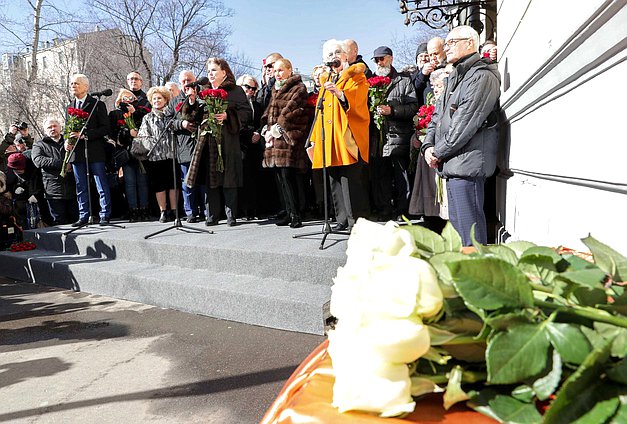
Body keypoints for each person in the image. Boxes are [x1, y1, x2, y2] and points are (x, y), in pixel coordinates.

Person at [421, 25, 501, 245]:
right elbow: (436, 116)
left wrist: (438, 151)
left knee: (470, 236)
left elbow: (465, 123)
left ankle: (477, 276)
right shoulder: (455, 76)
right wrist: (427, 146)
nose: (447, 47)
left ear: (470, 43)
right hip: (452, 163)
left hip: (467, 163)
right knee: (458, 235)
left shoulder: (482, 76)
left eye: (452, 42)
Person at [309, 39, 370, 231]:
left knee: (349, 179)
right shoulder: (326, 80)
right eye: (329, 55)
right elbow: (320, 112)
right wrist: (315, 139)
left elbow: (359, 102)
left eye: (336, 52)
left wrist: (340, 94)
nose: (333, 57)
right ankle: (341, 218)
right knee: (334, 178)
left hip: (347, 136)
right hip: (329, 136)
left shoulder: (356, 76)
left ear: (345, 55)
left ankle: (356, 221)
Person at [187, 57, 252, 227]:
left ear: (224, 72)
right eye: (209, 71)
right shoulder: (203, 91)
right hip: (208, 140)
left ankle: (231, 215)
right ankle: (212, 215)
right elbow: (191, 117)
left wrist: (228, 116)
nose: (210, 73)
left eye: (214, 70)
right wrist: (192, 102)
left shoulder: (235, 90)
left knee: (229, 177)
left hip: (228, 140)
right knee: (211, 178)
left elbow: (246, 113)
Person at [369, 46, 418, 221]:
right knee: (381, 178)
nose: (378, 62)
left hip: (398, 137)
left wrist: (393, 110)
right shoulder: (371, 81)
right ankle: (384, 211)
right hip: (378, 138)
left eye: (381, 59)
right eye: (375, 60)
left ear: (390, 58)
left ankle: (402, 211)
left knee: (401, 178)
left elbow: (413, 107)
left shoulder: (403, 81)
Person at [260, 58, 310, 229]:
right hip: (275, 138)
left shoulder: (298, 87)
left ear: (289, 70)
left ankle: (297, 214)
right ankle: (288, 212)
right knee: (280, 177)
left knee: (288, 176)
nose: (278, 74)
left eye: (281, 70)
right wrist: (266, 128)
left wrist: (278, 128)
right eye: (275, 71)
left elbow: (292, 111)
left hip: (288, 137)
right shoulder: (275, 88)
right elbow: (269, 111)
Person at [65, 73, 112, 227]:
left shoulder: (97, 104)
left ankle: (104, 213)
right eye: (72, 83)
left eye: (76, 83)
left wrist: (86, 135)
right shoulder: (70, 106)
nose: (73, 86)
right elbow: (68, 128)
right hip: (77, 153)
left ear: (86, 86)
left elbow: (105, 128)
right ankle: (83, 214)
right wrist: (67, 140)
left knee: (100, 183)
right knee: (81, 186)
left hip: (94, 150)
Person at [132, 86, 179, 223]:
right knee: (159, 185)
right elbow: (142, 136)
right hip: (155, 157)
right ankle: (163, 211)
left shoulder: (172, 115)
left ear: (166, 100)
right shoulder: (147, 118)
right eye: (154, 99)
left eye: (160, 98)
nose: (157, 101)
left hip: (172, 155)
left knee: (172, 184)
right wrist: (153, 143)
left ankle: (174, 211)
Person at [167, 70, 207, 223]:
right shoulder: (175, 101)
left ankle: (205, 210)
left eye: (189, 80)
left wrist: (195, 100)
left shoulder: (203, 98)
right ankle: (190, 212)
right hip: (184, 147)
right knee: (187, 182)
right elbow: (167, 122)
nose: (186, 84)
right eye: (183, 81)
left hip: (201, 145)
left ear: (195, 81)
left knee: (202, 181)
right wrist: (181, 123)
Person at [109, 88, 150, 222]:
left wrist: (135, 113)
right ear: (120, 100)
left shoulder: (141, 111)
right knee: (130, 182)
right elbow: (113, 133)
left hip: (141, 151)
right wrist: (127, 132)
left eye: (131, 98)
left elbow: (146, 125)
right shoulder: (115, 114)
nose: (128, 101)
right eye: (125, 98)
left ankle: (144, 209)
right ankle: (132, 210)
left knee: (142, 182)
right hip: (126, 152)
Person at [31, 117, 77, 225]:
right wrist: (62, 164)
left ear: (60, 127)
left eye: (55, 126)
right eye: (49, 127)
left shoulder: (69, 141)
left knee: (76, 220)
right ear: (45, 130)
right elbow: (38, 160)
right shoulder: (39, 145)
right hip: (53, 191)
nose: (53, 129)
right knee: (59, 222)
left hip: (73, 188)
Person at [236, 74, 265, 220]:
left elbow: (262, 122)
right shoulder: (234, 104)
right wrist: (250, 134)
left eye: (254, 88)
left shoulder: (257, 105)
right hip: (241, 144)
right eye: (247, 87)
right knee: (244, 177)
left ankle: (256, 209)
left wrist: (258, 133)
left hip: (255, 145)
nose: (251, 91)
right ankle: (245, 211)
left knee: (255, 177)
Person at [412, 37, 447, 106]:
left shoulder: (451, 68)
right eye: (430, 55)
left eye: (436, 54)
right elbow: (415, 90)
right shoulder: (424, 73)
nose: (433, 58)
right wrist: (422, 75)